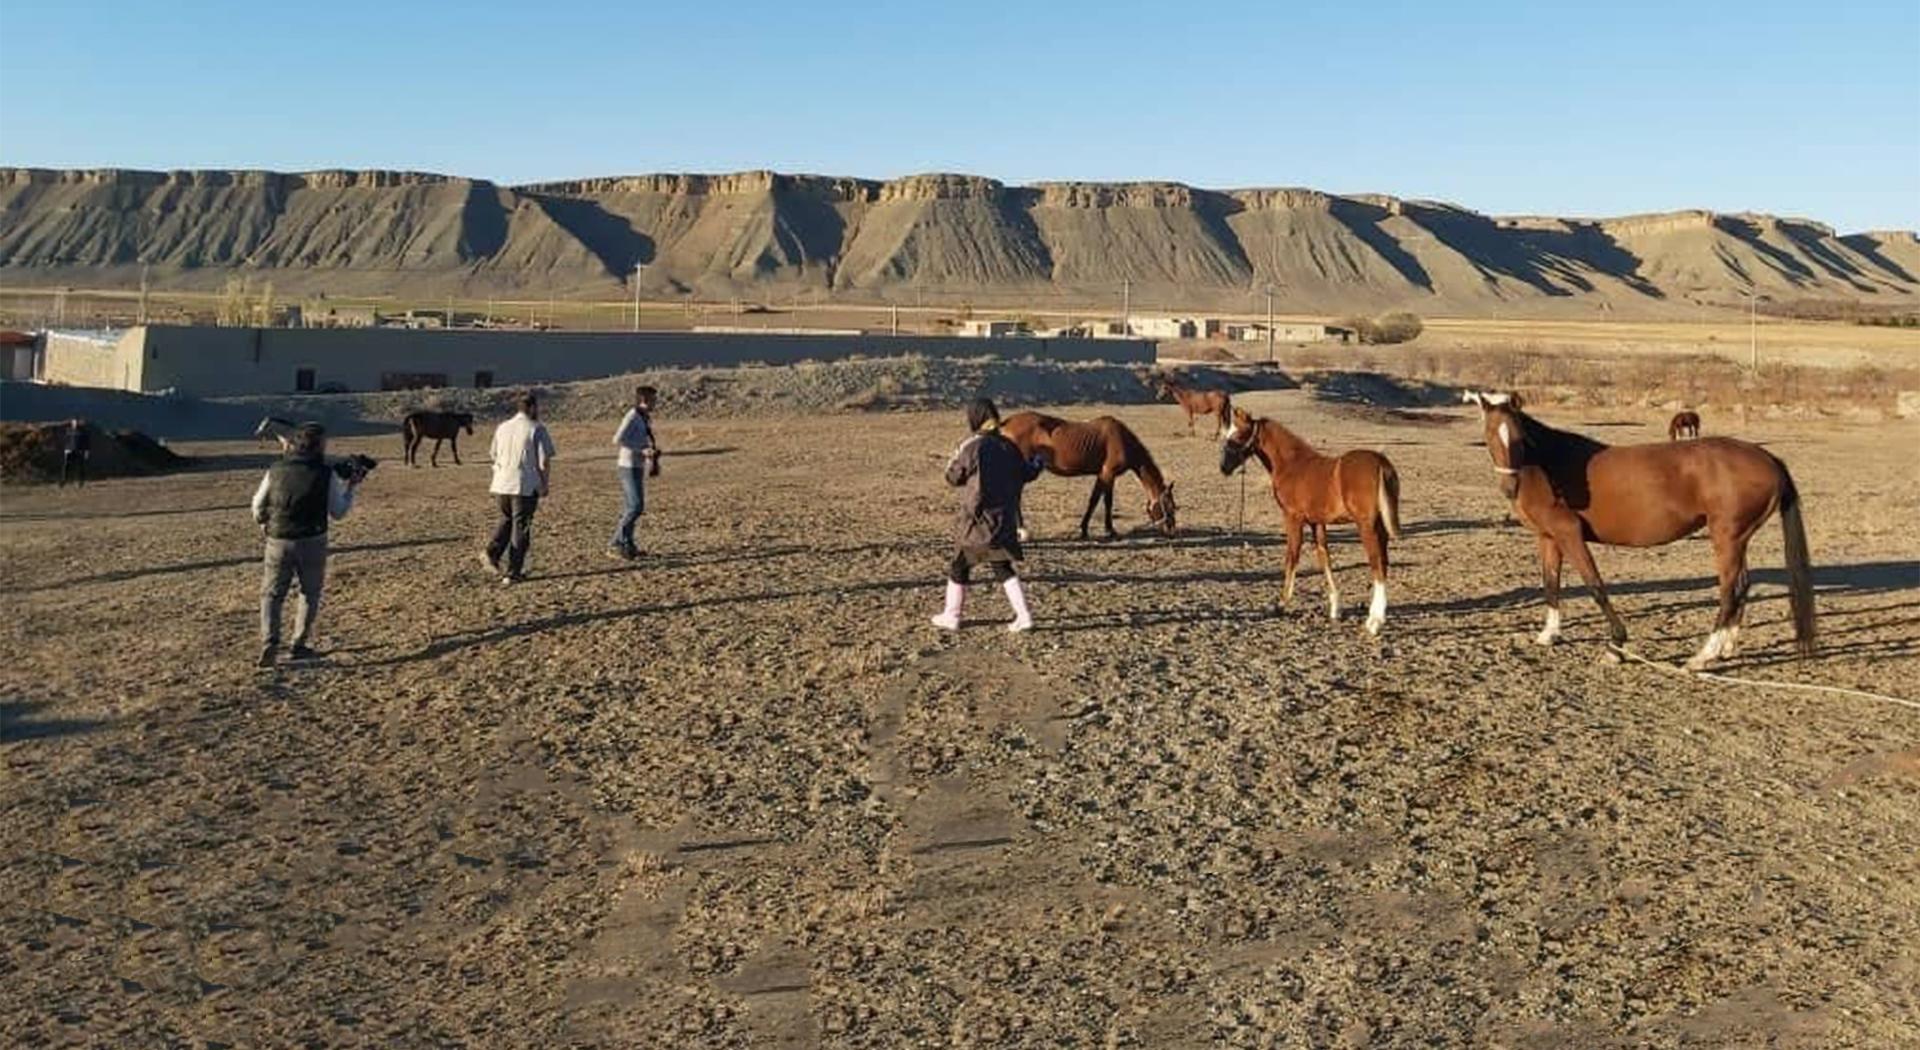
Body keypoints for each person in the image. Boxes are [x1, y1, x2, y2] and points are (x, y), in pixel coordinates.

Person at [251, 423, 360, 666]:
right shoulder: (326, 473)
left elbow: (258, 504)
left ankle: (269, 641)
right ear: (319, 446)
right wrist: (351, 488)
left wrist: (264, 525)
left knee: (271, 594)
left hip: (278, 538)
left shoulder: (275, 469)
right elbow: (338, 512)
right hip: (313, 539)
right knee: (309, 592)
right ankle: (298, 644)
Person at [933, 397, 1045, 633]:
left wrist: (954, 457)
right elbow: (1027, 473)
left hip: (976, 520)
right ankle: (1024, 615)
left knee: (959, 566)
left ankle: (952, 615)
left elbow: (953, 478)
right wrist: (1038, 462)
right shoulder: (1009, 446)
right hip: (1003, 520)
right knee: (1002, 567)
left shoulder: (972, 446)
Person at [484, 392, 556, 584]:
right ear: (532, 407)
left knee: (507, 519)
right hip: (524, 484)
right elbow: (544, 460)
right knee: (521, 526)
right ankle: (513, 571)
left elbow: (493, 454)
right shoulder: (536, 428)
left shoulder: (502, 427)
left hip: (501, 483)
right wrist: (544, 483)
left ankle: (492, 552)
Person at [608, 384, 660, 559]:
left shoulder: (643, 417)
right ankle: (616, 543)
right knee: (636, 506)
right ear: (644, 400)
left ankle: (627, 544)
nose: (655, 403)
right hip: (628, 466)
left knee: (631, 506)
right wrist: (641, 450)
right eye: (653, 400)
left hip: (637, 465)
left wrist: (649, 452)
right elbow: (617, 439)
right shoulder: (632, 416)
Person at [59, 419, 90, 487]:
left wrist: (86, 451)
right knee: (66, 466)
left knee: (80, 467)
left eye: (76, 423)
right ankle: (63, 481)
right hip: (70, 450)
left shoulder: (83, 431)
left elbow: (86, 442)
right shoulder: (68, 431)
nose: (75, 424)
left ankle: (81, 482)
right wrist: (66, 449)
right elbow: (66, 440)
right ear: (72, 424)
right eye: (74, 423)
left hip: (79, 451)